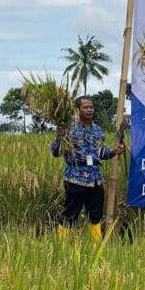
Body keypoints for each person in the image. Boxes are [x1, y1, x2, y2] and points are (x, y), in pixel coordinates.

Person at [51, 96, 125, 242]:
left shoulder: (97, 130)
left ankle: (95, 247)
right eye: (86, 107)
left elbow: (101, 152)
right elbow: (56, 152)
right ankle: (62, 246)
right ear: (78, 110)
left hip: (95, 179)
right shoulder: (68, 129)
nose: (89, 110)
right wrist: (59, 137)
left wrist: (114, 151)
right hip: (76, 178)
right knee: (70, 214)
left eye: (91, 107)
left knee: (96, 215)